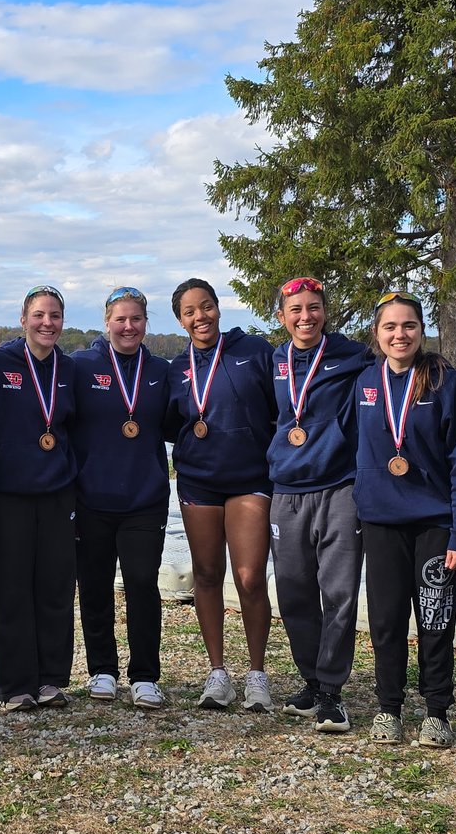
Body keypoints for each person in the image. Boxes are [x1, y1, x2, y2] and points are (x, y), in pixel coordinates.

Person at [354, 291, 456, 748]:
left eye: (408, 325)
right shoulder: (365, 381)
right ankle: (388, 708)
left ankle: (436, 712)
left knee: (435, 619)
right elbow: (354, 447)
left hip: (435, 523)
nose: (400, 334)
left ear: (421, 330)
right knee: (386, 621)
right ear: (377, 334)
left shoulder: (446, 383)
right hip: (381, 523)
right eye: (390, 327)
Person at [165, 278, 277, 712]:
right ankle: (217, 673)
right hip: (198, 481)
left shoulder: (255, 351)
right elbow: (169, 423)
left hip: (250, 478)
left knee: (249, 576)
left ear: (218, 307)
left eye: (207, 306)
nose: (201, 317)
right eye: (190, 312)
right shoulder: (177, 367)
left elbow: (281, 406)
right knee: (207, 574)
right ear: (180, 320)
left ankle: (257, 674)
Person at [267, 277, 374, 733]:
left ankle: (331, 690)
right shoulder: (275, 360)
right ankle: (311, 681)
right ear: (282, 317)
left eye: (313, 307)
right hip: (286, 490)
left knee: (339, 593)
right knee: (293, 592)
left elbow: (398, 364)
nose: (305, 316)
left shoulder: (354, 355)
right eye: (296, 309)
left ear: (325, 311)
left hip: (339, 487)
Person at [72, 286, 171, 709]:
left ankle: (145, 675)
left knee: (142, 585)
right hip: (91, 497)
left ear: (146, 323)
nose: (128, 326)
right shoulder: (81, 365)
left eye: (136, 319)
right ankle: (103, 670)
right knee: (94, 586)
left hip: (144, 499)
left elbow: (178, 423)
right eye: (121, 319)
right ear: (106, 321)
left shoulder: (161, 370)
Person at [0, 285, 77, 711]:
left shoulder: (69, 368)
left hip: (57, 491)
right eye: (39, 315)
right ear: (23, 320)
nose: (47, 323)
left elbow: (76, 427)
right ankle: (15, 684)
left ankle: (52, 678)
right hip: (8, 493)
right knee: (11, 588)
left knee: (55, 586)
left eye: (54, 315)